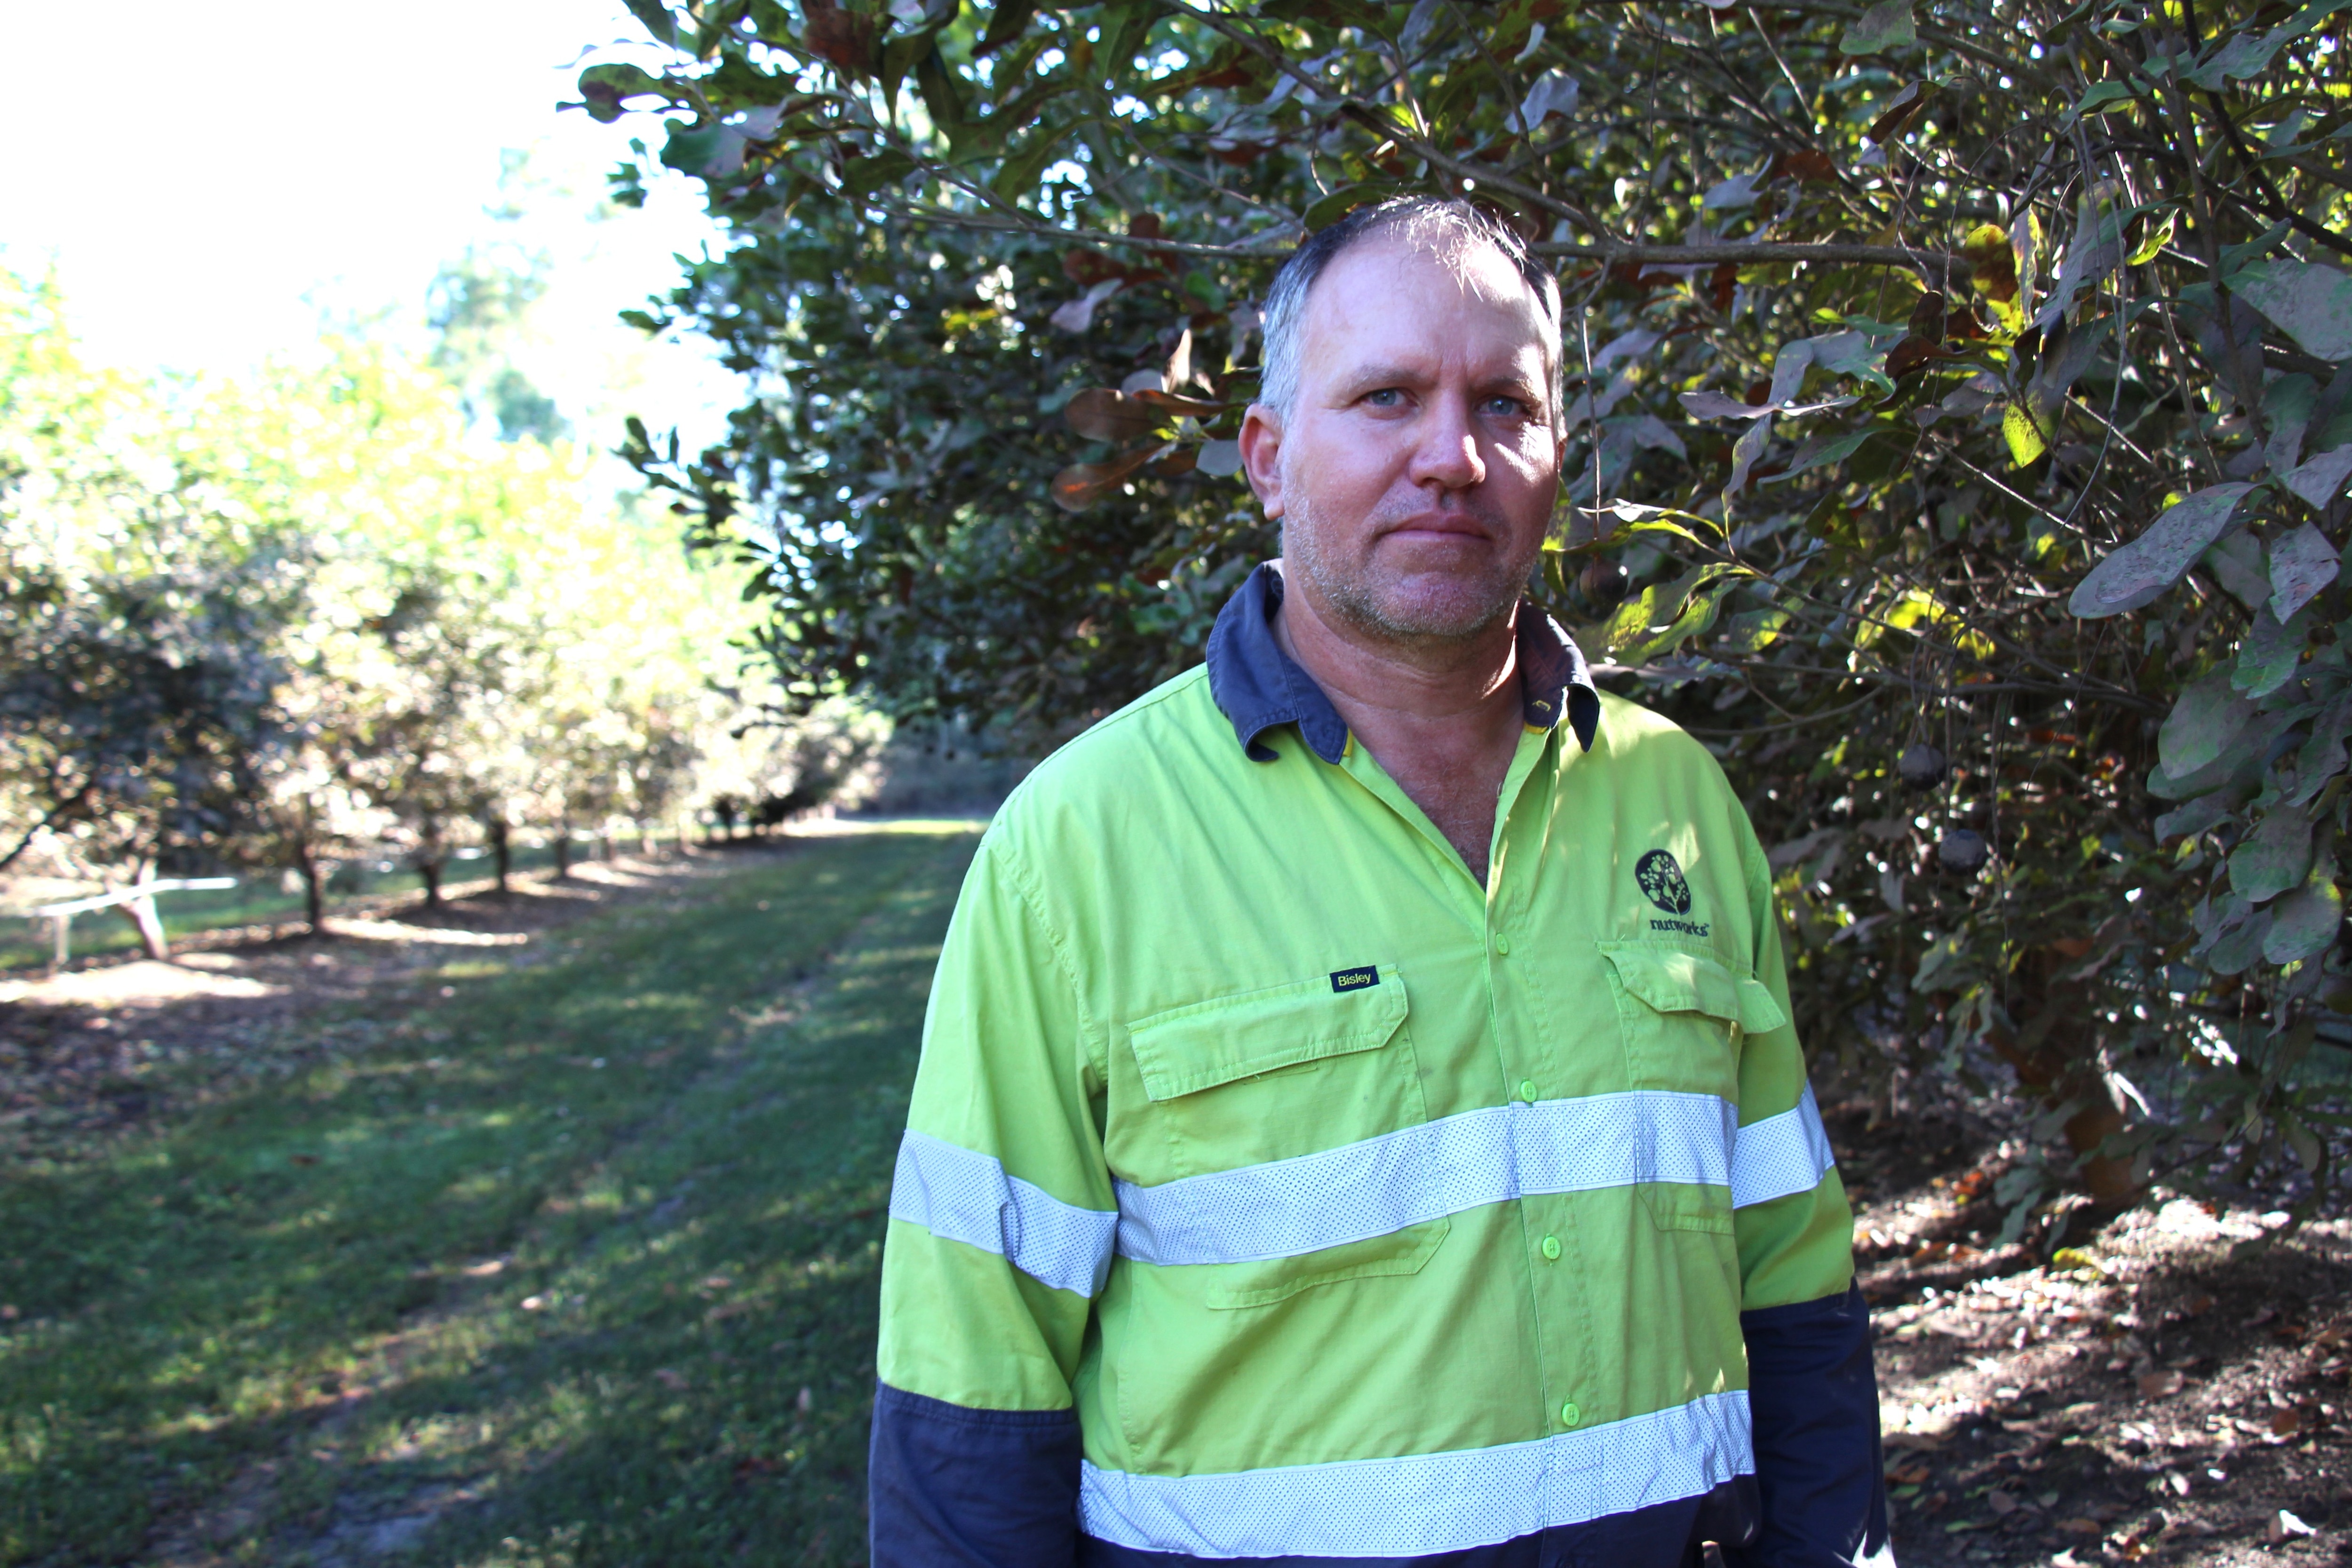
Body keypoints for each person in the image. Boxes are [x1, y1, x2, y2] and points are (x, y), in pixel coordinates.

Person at [869, 196, 1891, 1568]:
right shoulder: (1076, 849)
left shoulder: (1674, 799)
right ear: (1269, 460)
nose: (1451, 457)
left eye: (1504, 405)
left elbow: (1798, 1285)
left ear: (1558, 459)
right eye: (1387, 396)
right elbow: (972, 1391)